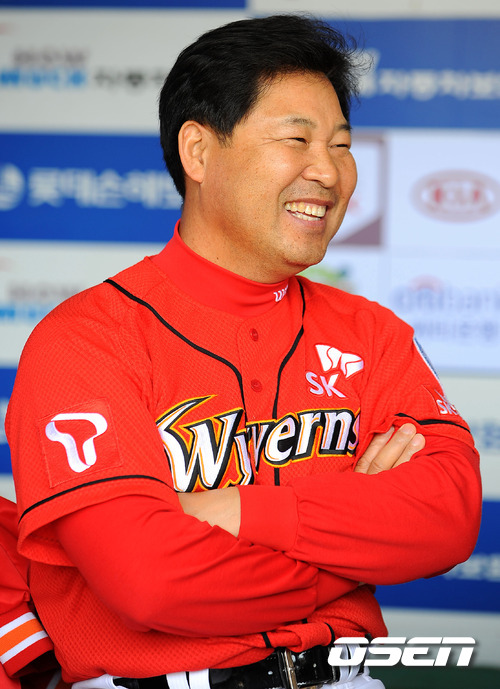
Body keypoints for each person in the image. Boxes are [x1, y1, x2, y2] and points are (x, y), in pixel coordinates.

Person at [5, 13, 481, 689]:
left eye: (341, 145)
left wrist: (243, 512)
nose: (329, 171)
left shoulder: (372, 333)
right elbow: (151, 582)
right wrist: (351, 549)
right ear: (198, 151)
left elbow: (450, 517)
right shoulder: (85, 339)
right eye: (297, 139)